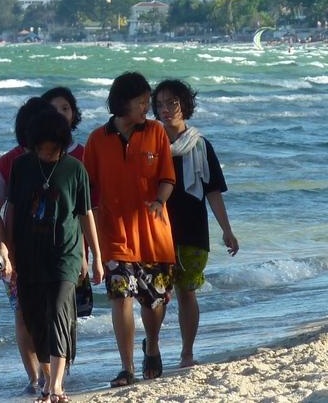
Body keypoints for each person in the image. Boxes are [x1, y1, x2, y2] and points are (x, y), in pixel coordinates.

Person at [82, 72, 176, 387]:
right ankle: (127, 368)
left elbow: (167, 177)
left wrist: (160, 201)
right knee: (120, 297)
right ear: (123, 103)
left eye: (149, 101)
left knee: (155, 302)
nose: (148, 108)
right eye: (142, 102)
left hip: (154, 234)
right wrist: (87, 236)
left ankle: (152, 345)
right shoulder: (97, 139)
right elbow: (86, 189)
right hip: (114, 235)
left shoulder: (156, 132)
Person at [5, 108, 103, 403]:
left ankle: (57, 385)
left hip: (65, 255)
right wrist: (8, 252)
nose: (47, 155)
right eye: (41, 150)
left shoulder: (75, 169)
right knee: (35, 320)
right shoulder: (21, 166)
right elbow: (11, 211)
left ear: (63, 144)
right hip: (29, 255)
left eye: (53, 150)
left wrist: (95, 257)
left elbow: (85, 214)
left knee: (59, 312)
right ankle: (48, 380)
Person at [152, 79, 239, 368]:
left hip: (192, 230)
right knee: (156, 295)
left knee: (186, 293)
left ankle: (187, 353)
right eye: (160, 104)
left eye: (172, 103)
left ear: (185, 105)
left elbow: (213, 192)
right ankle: (152, 349)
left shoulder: (200, 145)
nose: (165, 109)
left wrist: (227, 230)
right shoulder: (151, 144)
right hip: (156, 230)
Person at [0, 96, 53, 394]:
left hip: (54, 252)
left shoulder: (64, 161)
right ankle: (34, 377)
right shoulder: (7, 163)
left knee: (54, 313)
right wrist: (2, 255)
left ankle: (54, 374)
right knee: (23, 314)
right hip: (16, 255)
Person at [41, 87, 96, 318]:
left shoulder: (83, 154)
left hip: (73, 251)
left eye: (66, 108)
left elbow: (88, 210)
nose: (60, 113)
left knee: (71, 315)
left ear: (74, 114)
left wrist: (92, 254)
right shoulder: (33, 157)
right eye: (53, 109)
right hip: (40, 251)